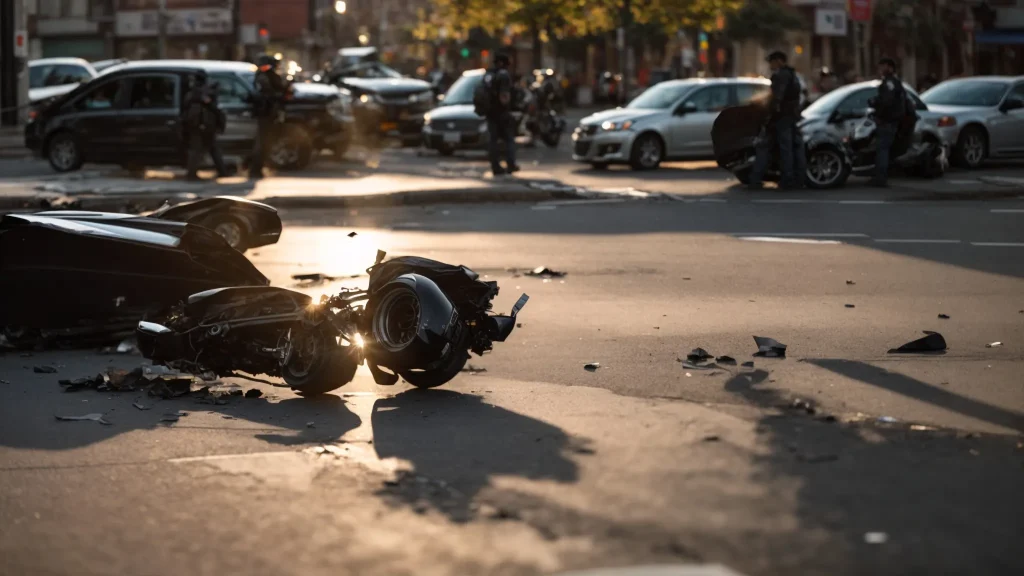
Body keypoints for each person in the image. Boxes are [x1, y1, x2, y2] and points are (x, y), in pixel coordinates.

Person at [749, 51, 802, 190]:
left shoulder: (781, 76)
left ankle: (762, 178)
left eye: (772, 61)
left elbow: (777, 98)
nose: (770, 65)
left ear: (779, 61)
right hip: (789, 116)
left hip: (780, 118)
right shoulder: (792, 74)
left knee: (768, 146)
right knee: (789, 148)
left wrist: (768, 115)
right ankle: (791, 178)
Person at [868, 57, 908, 188]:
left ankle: (880, 178)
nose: (880, 69)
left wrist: (877, 108)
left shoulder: (890, 83)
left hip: (887, 122)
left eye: (883, 66)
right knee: (883, 149)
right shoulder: (892, 82)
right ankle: (880, 176)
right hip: (890, 121)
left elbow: (887, 102)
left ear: (890, 68)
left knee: (882, 150)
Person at [249, 54, 289, 180]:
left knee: (266, 142)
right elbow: (268, 94)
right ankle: (255, 169)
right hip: (265, 113)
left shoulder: (268, 76)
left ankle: (257, 168)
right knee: (263, 143)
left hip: (269, 113)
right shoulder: (263, 77)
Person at [183, 70, 227, 181]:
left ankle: (192, 174)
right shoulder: (204, 92)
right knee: (209, 149)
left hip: (199, 126)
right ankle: (221, 171)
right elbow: (216, 109)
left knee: (199, 150)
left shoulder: (194, 93)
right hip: (204, 126)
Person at [483, 53, 519, 176]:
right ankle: (510, 164)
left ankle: (495, 166)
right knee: (509, 139)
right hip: (501, 112)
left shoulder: (488, 75)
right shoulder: (503, 75)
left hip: (489, 112)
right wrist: (508, 107)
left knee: (493, 140)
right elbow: (504, 97)